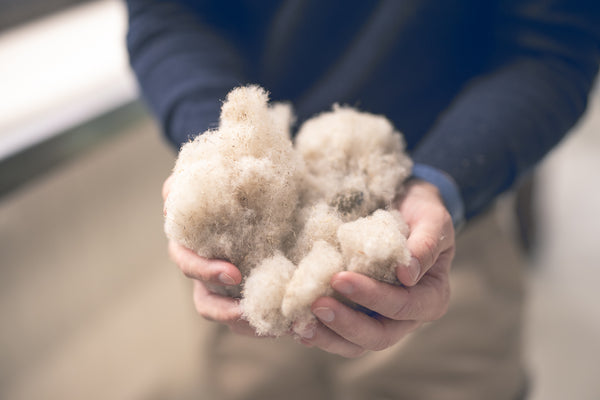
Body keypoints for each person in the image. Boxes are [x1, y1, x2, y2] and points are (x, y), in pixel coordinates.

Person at [125, 1, 600, 399]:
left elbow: (550, 49)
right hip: (244, 268)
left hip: (438, 242)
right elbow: (170, 14)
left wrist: (440, 181)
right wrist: (225, 156)